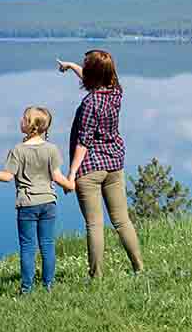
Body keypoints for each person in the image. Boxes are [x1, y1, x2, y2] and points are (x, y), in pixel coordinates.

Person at [57, 50, 144, 277]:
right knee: (122, 220)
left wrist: (71, 174)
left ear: (92, 74)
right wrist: (71, 66)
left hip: (89, 169)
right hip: (114, 163)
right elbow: (91, 78)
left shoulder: (89, 103)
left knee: (94, 225)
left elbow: (83, 142)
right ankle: (139, 268)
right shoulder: (116, 93)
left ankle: (96, 277)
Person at [0, 106, 75, 293]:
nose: (20, 120)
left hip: (27, 205)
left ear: (30, 126)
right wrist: (69, 186)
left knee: (28, 247)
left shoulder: (18, 150)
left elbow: (6, 176)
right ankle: (48, 286)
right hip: (48, 203)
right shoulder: (51, 149)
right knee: (47, 245)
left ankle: (27, 289)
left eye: (24, 118)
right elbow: (57, 176)